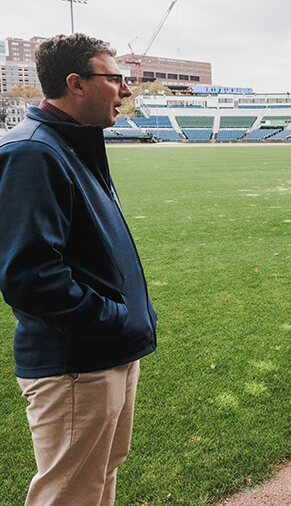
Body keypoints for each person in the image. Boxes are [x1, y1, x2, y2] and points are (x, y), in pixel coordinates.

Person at [0, 33, 157, 505]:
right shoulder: (32, 152)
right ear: (77, 84)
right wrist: (112, 319)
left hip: (105, 354)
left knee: (97, 479)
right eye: (115, 79)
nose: (125, 90)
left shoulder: (73, 144)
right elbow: (30, 277)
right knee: (69, 495)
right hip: (76, 364)